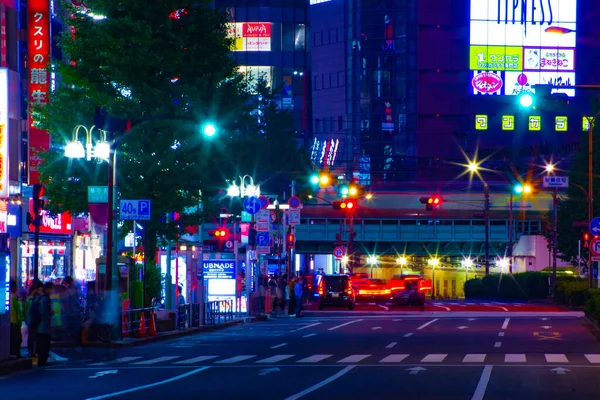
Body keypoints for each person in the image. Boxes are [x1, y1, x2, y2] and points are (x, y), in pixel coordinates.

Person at [37, 282, 54, 367]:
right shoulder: (45, 299)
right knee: (44, 344)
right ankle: (42, 360)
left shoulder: (43, 298)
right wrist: (49, 315)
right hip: (43, 327)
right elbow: (43, 312)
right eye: (51, 288)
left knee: (44, 344)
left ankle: (43, 360)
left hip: (43, 327)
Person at [25, 281, 43, 357]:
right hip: (34, 320)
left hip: (31, 320)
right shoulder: (34, 298)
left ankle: (32, 351)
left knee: (32, 336)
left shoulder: (31, 298)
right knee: (34, 336)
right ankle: (33, 351)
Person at [9, 281, 23, 358]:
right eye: (15, 287)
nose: (17, 289)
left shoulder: (12, 298)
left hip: (13, 322)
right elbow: (18, 312)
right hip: (14, 322)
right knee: (17, 339)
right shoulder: (13, 299)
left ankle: (14, 352)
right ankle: (16, 353)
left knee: (14, 339)